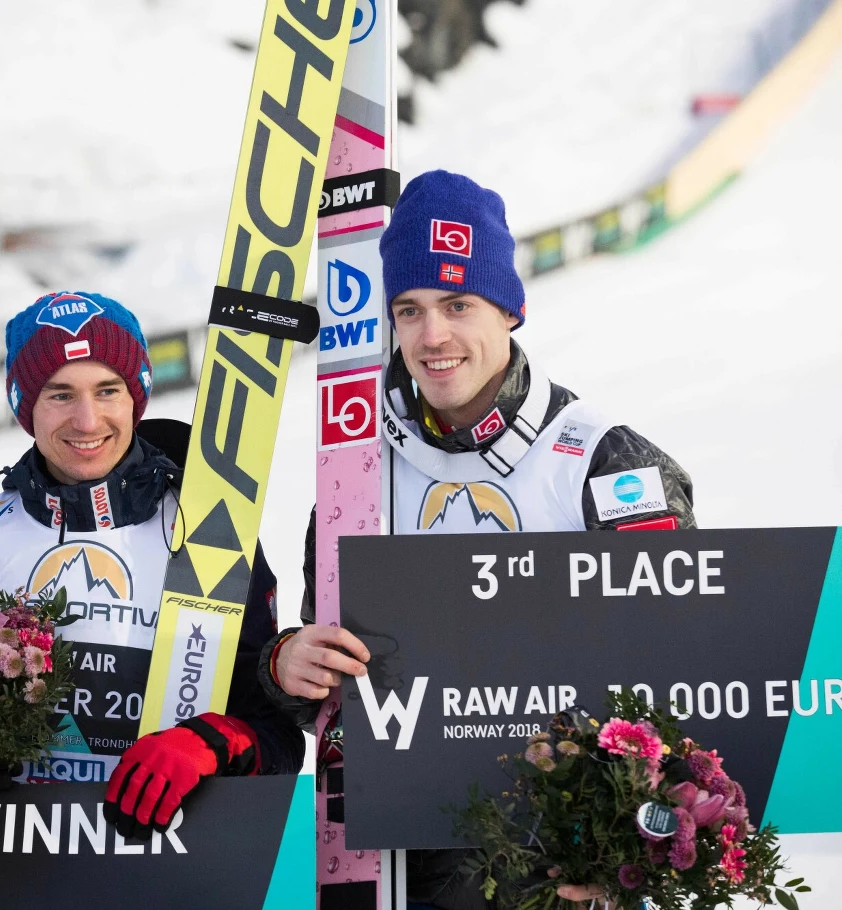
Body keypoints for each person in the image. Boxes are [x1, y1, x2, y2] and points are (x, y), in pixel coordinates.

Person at [260, 171, 696, 910]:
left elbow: (688, 690)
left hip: (567, 879)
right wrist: (289, 665)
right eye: (410, 309)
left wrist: (631, 856)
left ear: (509, 307)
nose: (433, 337)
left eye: (457, 304)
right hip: (407, 874)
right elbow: (334, 695)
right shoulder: (358, 475)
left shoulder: (604, 463)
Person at [0, 291, 304, 833]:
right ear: (25, 405)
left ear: (136, 396)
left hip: (166, 861)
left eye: (107, 390)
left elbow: (275, 733)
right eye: (60, 394)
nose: (87, 420)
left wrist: (205, 744)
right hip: (7, 858)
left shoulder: (210, 531)